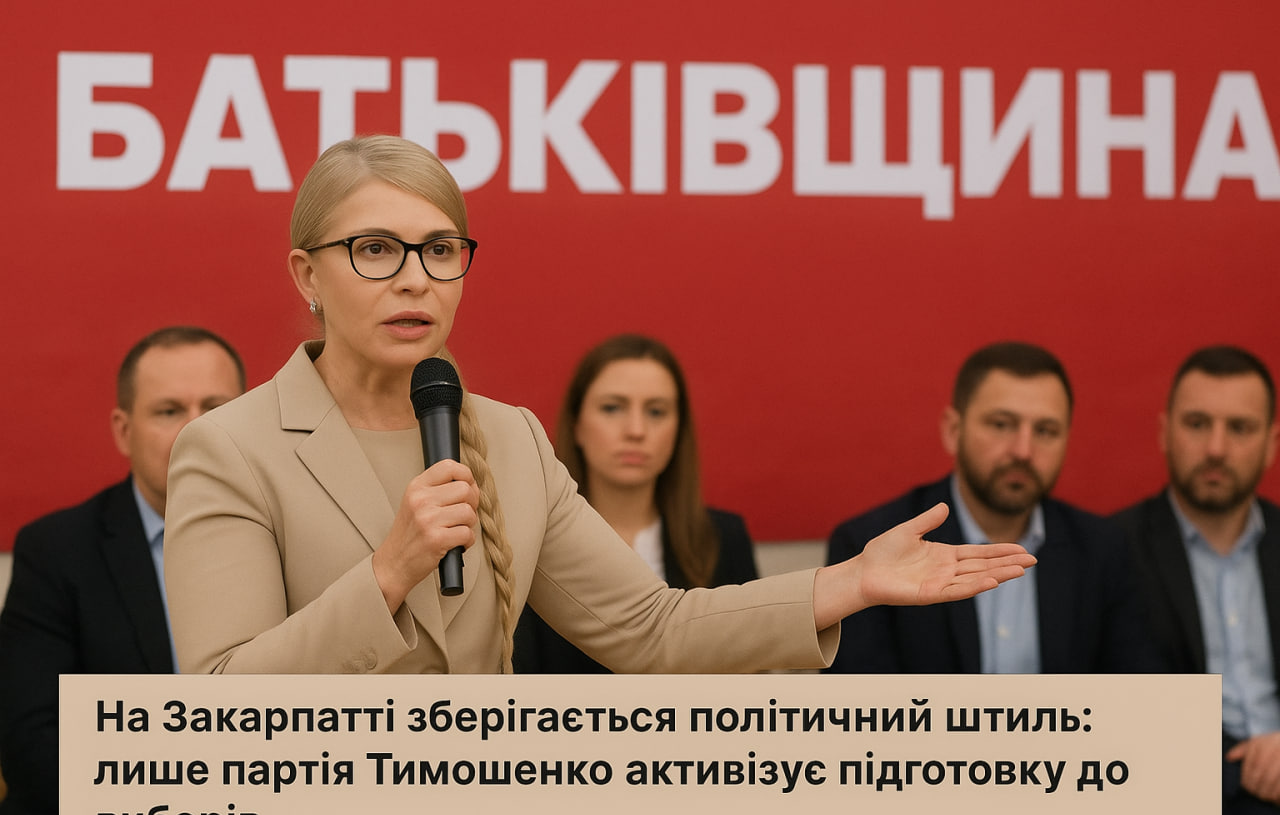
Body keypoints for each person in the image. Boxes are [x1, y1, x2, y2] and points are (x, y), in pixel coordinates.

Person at [163, 134, 1034, 678]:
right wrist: (389, 572)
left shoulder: (507, 437)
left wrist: (848, 583)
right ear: (307, 275)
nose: (415, 279)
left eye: (440, 249)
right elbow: (213, 704)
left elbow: (650, 629)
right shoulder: (229, 447)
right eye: (376, 249)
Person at [0, 326, 245, 815]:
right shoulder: (56, 551)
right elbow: (34, 747)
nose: (195, 430)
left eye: (216, 407)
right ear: (123, 430)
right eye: (168, 411)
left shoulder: (296, 539)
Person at [825, 341, 1158, 674]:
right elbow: (859, 701)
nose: (1023, 451)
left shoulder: (1103, 550)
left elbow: (1137, 689)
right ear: (953, 431)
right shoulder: (871, 547)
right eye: (1001, 424)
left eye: (1045, 431)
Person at [1113, 345, 1280, 815]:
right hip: (1172, 804)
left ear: (1271, 444)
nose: (1216, 448)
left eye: (1240, 428)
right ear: (1164, 432)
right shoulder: (1112, 551)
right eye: (1197, 423)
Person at [512, 334, 759, 673]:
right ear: (577, 424)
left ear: (678, 429)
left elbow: (750, 671)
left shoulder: (723, 538)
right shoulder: (530, 542)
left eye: (656, 411)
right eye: (612, 408)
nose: (636, 430)